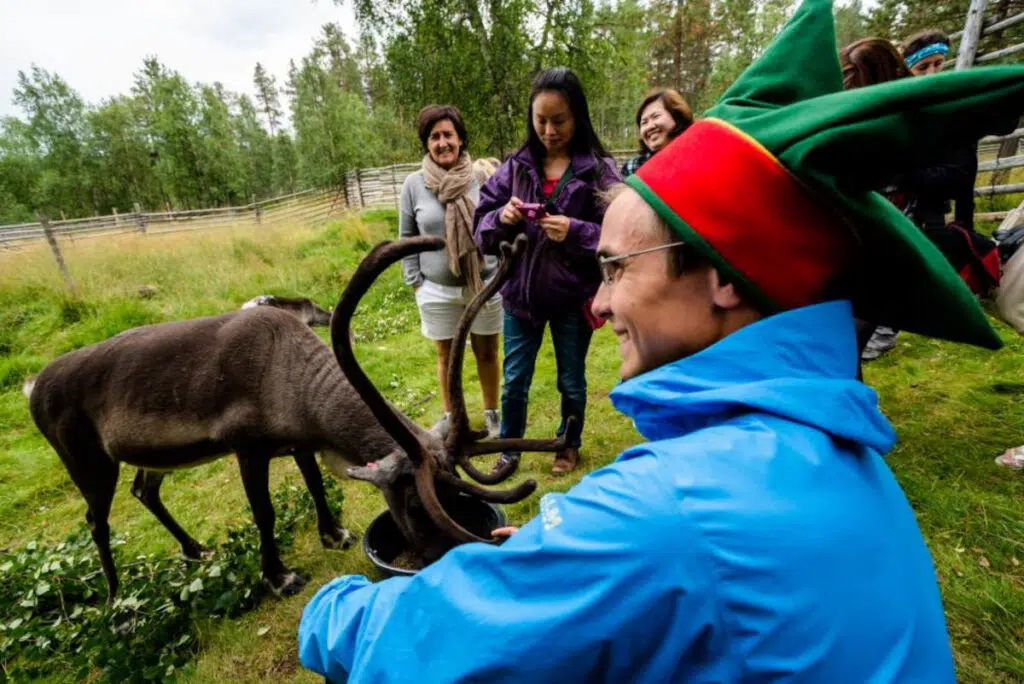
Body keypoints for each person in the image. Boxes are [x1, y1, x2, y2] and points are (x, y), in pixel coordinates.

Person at [297, 1, 1024, 681]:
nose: (600, 301)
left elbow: (419, 648)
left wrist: (328, 614)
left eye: (614, 268)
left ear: (724, 277)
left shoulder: (673, 512)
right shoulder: (834, 449)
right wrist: (562, 564)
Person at [473, 66, 620, 476]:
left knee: (571, 381)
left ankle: (567, 444)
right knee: (514, 380)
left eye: (559, 120)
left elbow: (621, 231)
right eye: (541, 120)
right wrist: (500, 217)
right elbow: (479, 226)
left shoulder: (598, 170)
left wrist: (576, 232)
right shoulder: (515, 167)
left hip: (574, 299)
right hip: (521, 297)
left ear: (578, 117)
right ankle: (510, 449)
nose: (549, 130)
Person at [399, 105, 501, 438]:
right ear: (426, 143)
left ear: (460, 139)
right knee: (446, 355)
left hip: (483, 284)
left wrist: (499, 270)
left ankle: (492, 414)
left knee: (487, 352)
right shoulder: (414, 185)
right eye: (435, 137)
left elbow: (498, 225)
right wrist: (416, 281)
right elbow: (407, 236)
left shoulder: (481, 177)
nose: (442, 143)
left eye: (448, 135)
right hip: (436, 289)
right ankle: (451, 417)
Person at [620, 88, 693, 177]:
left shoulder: (698, 156)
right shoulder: (632, 168)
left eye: (656, 116)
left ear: (677, 117)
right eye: (644, 122)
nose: (650, 126)